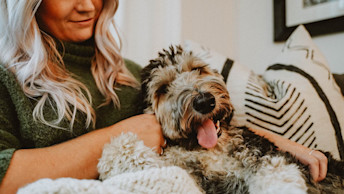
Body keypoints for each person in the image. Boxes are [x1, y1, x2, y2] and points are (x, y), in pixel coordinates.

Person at [0, 0, 327, 193]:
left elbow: (199, 126)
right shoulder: (6, 80)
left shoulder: (128, 73)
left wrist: (283, 143)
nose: (88, 5)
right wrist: (120, 136)